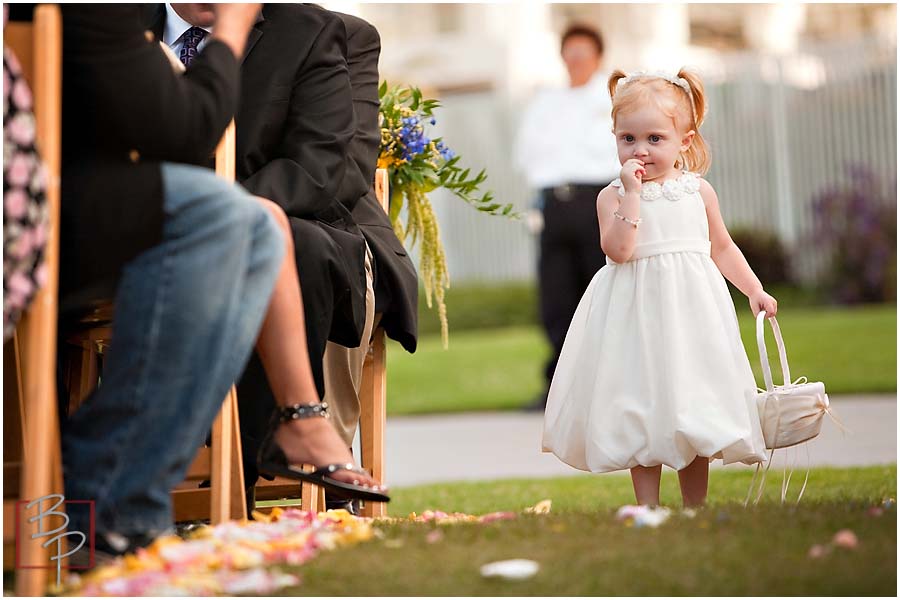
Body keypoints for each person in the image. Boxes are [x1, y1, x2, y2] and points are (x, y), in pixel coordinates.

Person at [58, 4, 385, 560]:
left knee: (265, 234)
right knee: (240, 231)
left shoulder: (313, 31)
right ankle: (123, 500)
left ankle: (241, 473)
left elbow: (321, 168)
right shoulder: (108, 14)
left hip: (267, 217)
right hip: (88, 227)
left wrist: (209, 212)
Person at [541, 68, 778, 508]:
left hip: (690, 313)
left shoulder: (698, 192)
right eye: (628, 139)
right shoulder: (611, 196)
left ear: (683, 141)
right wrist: (631, 194)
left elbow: (722, 247)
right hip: (636, 315)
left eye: (654, 139)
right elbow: (618, 251)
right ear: (614, 138)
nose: (641, 151)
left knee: (689, 403)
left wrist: (754, 290)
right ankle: (647, 506)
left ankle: (695, 508)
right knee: (641, 402)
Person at [513, 24, 621, 412]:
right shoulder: (546, 102)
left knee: (601, 289)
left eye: (583, 52)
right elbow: (527, 152)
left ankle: (610, 385)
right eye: (570, 52)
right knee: (557, 296)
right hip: (554, 204)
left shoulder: (610, 100)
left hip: (598, 200)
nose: (576, 60)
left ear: (597, 57)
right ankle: (560, 387)